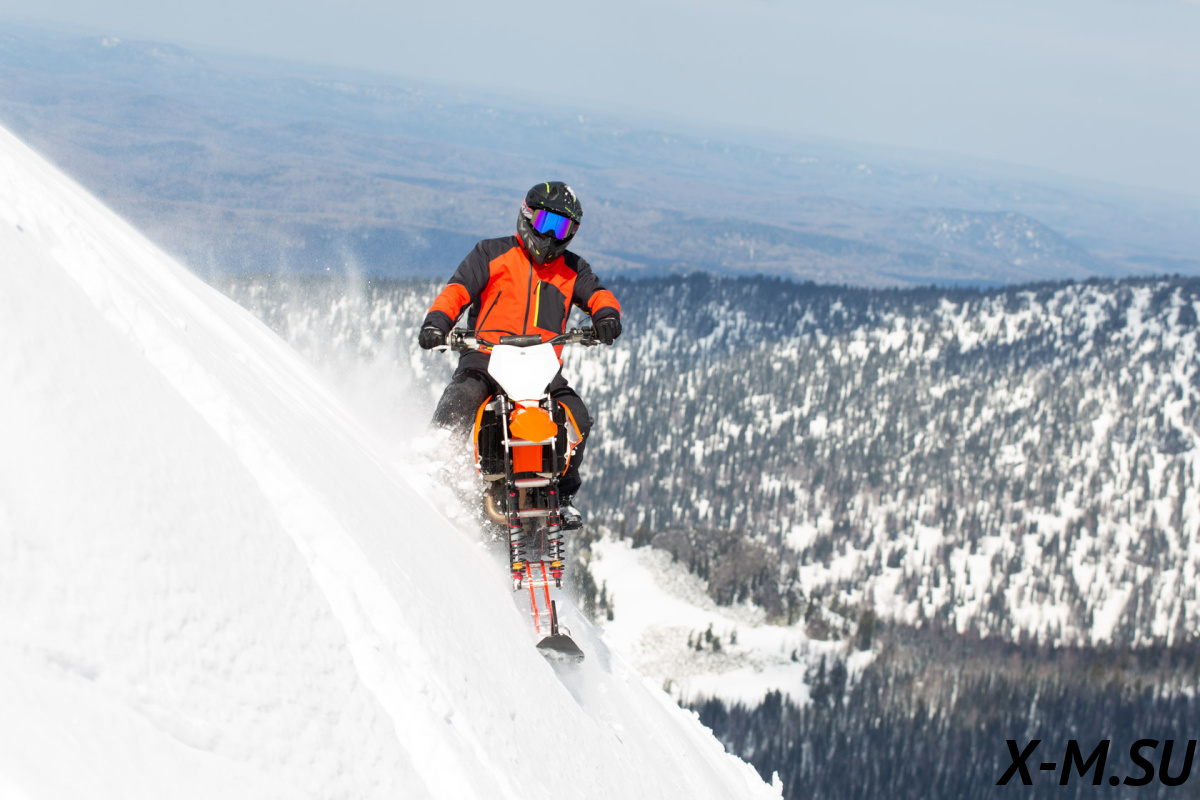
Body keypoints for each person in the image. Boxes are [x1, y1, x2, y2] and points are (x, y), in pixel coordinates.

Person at [418, 181, 622, 528]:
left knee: (578, 418)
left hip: (540, 365)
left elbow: (598, 294)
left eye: (562, 228)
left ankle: (562, 495)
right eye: (546, 223)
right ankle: (433, 468)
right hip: (486, 356)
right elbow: (458, 289)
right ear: (527, 216)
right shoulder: (491, 253)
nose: (552, 236)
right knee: (463, 397)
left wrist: (607, 317)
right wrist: (437, 322)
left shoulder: (573, 268)